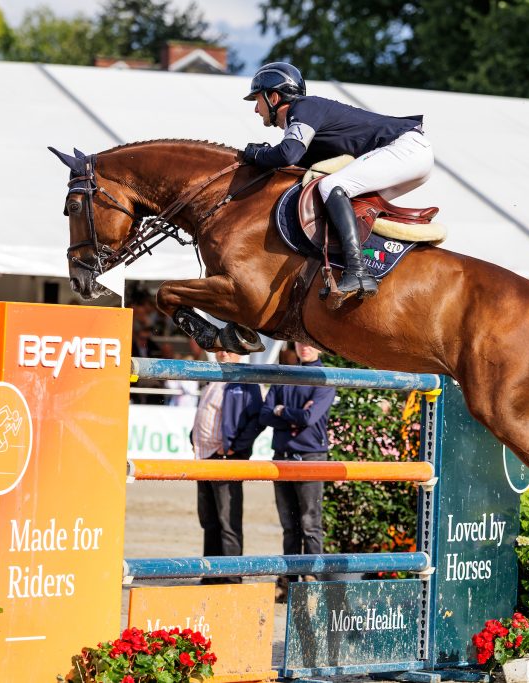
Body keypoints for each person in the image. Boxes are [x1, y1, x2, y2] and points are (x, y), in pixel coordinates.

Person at [241, 62, 434, 304]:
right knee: (338, 197)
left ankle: (358, 271)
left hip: (406, 149)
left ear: (274, 96)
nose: (256, 110)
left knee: (331, 187)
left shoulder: (303, 108)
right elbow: (294, 165)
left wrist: (256, 155)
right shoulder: (305, 121)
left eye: (257, 100)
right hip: (409, 155)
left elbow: (287, 154)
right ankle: (368, 262)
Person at [259, 342, 336, 600]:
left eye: (311, 343)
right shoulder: (286, 375)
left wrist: (282, 411)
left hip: (310, 456)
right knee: (290, 525)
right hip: (284, 456)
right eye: (300, 341)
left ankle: (312, 579)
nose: (305, 347)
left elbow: (309, 418)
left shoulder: (325, 379)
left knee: (309, 522)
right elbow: (265, 414)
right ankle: (291, 578)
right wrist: (291, 413)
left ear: (321, 348)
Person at [191, 350, 265, 583]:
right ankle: (211, 574)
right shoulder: (214, 377)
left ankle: (231, 577)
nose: (223, 352)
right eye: (221, 348)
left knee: (227, 520)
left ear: (240, 354)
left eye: (230, 349)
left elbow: (257, 419)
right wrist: (193, 437)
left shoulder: (246, 380)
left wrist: (235, 448)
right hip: (205, 457)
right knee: (209, 519)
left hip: (224, 458)